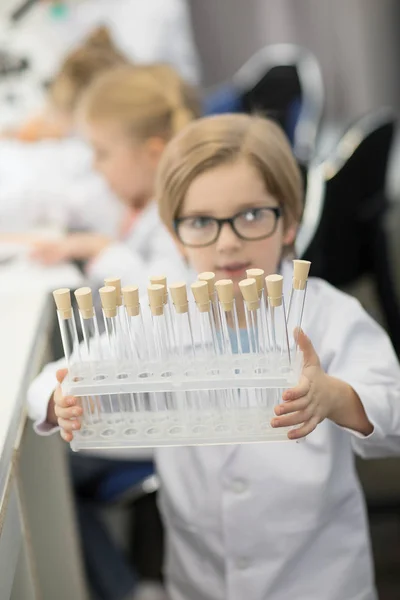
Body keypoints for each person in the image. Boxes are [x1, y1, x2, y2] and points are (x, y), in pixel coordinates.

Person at [28, 113, 400, 600]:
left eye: (251, 215)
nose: (227, 241)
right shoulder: (160, 316)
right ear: (174, 232)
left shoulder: (327, 313)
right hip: (200, 579)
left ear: (288, 221)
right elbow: (57, 377)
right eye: (201, 222)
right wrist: (59, 401)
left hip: (317, 578)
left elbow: (392, 405)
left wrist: (336, 397)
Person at [28, 63, 200, 290]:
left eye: (102, 153)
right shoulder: (136, 202)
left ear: (153, 154)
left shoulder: (174, 226)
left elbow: (161, 301)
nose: (94, 165)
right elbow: (76, 201)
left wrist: (103, 250)